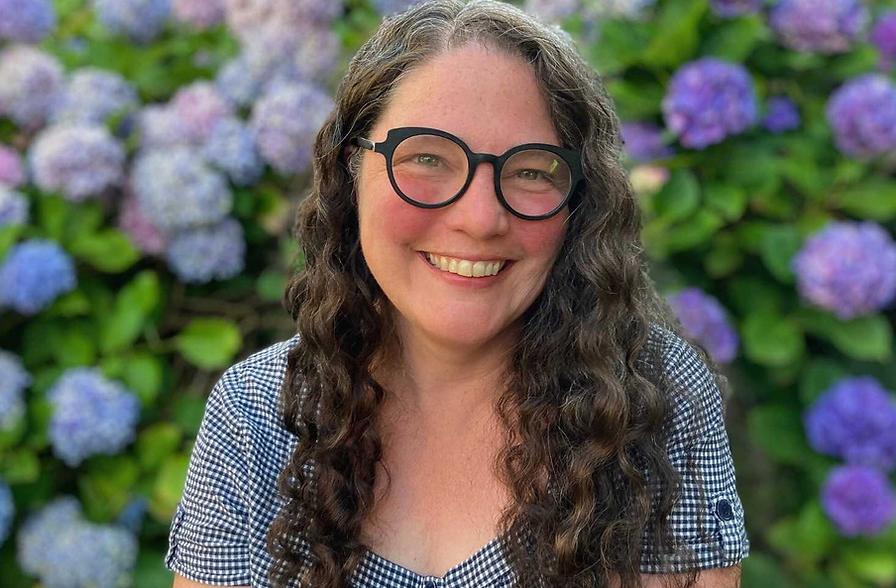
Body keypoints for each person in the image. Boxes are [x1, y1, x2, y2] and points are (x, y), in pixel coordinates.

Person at [166, 1, 751, 587]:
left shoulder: (653, 402)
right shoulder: (256, 417)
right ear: (352, 171)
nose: (480, 219)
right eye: (425, 158)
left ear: (579, 202)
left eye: (530, 170)